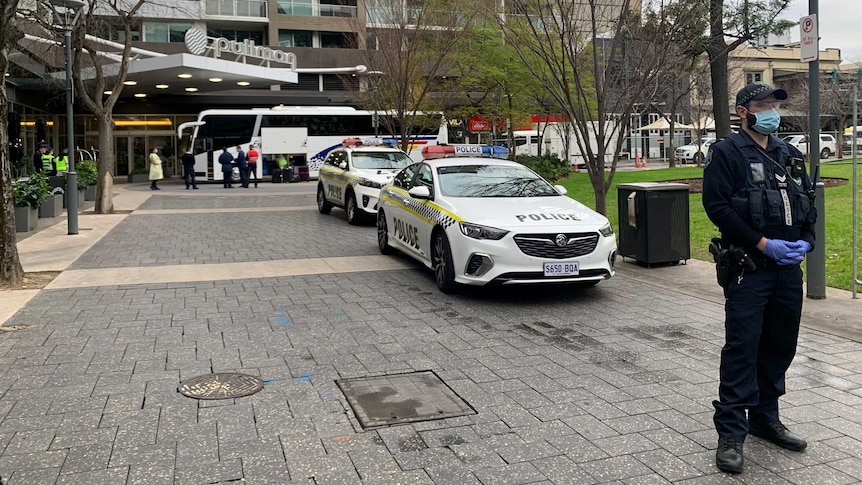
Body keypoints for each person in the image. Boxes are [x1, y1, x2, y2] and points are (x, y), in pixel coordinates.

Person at [702, 82, 816, 474]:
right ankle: (731, 433)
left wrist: (807, 241)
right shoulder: (727, 153)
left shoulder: (790, 155)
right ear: (742, 111)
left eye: (774, 104)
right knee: (742, 348)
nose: (770, 110)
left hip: (787, 271)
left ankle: (765, 419)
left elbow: (808, 205)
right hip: (749, 269)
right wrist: (763, 244)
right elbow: (717, 207)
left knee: (780, 346)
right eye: (762, 104)